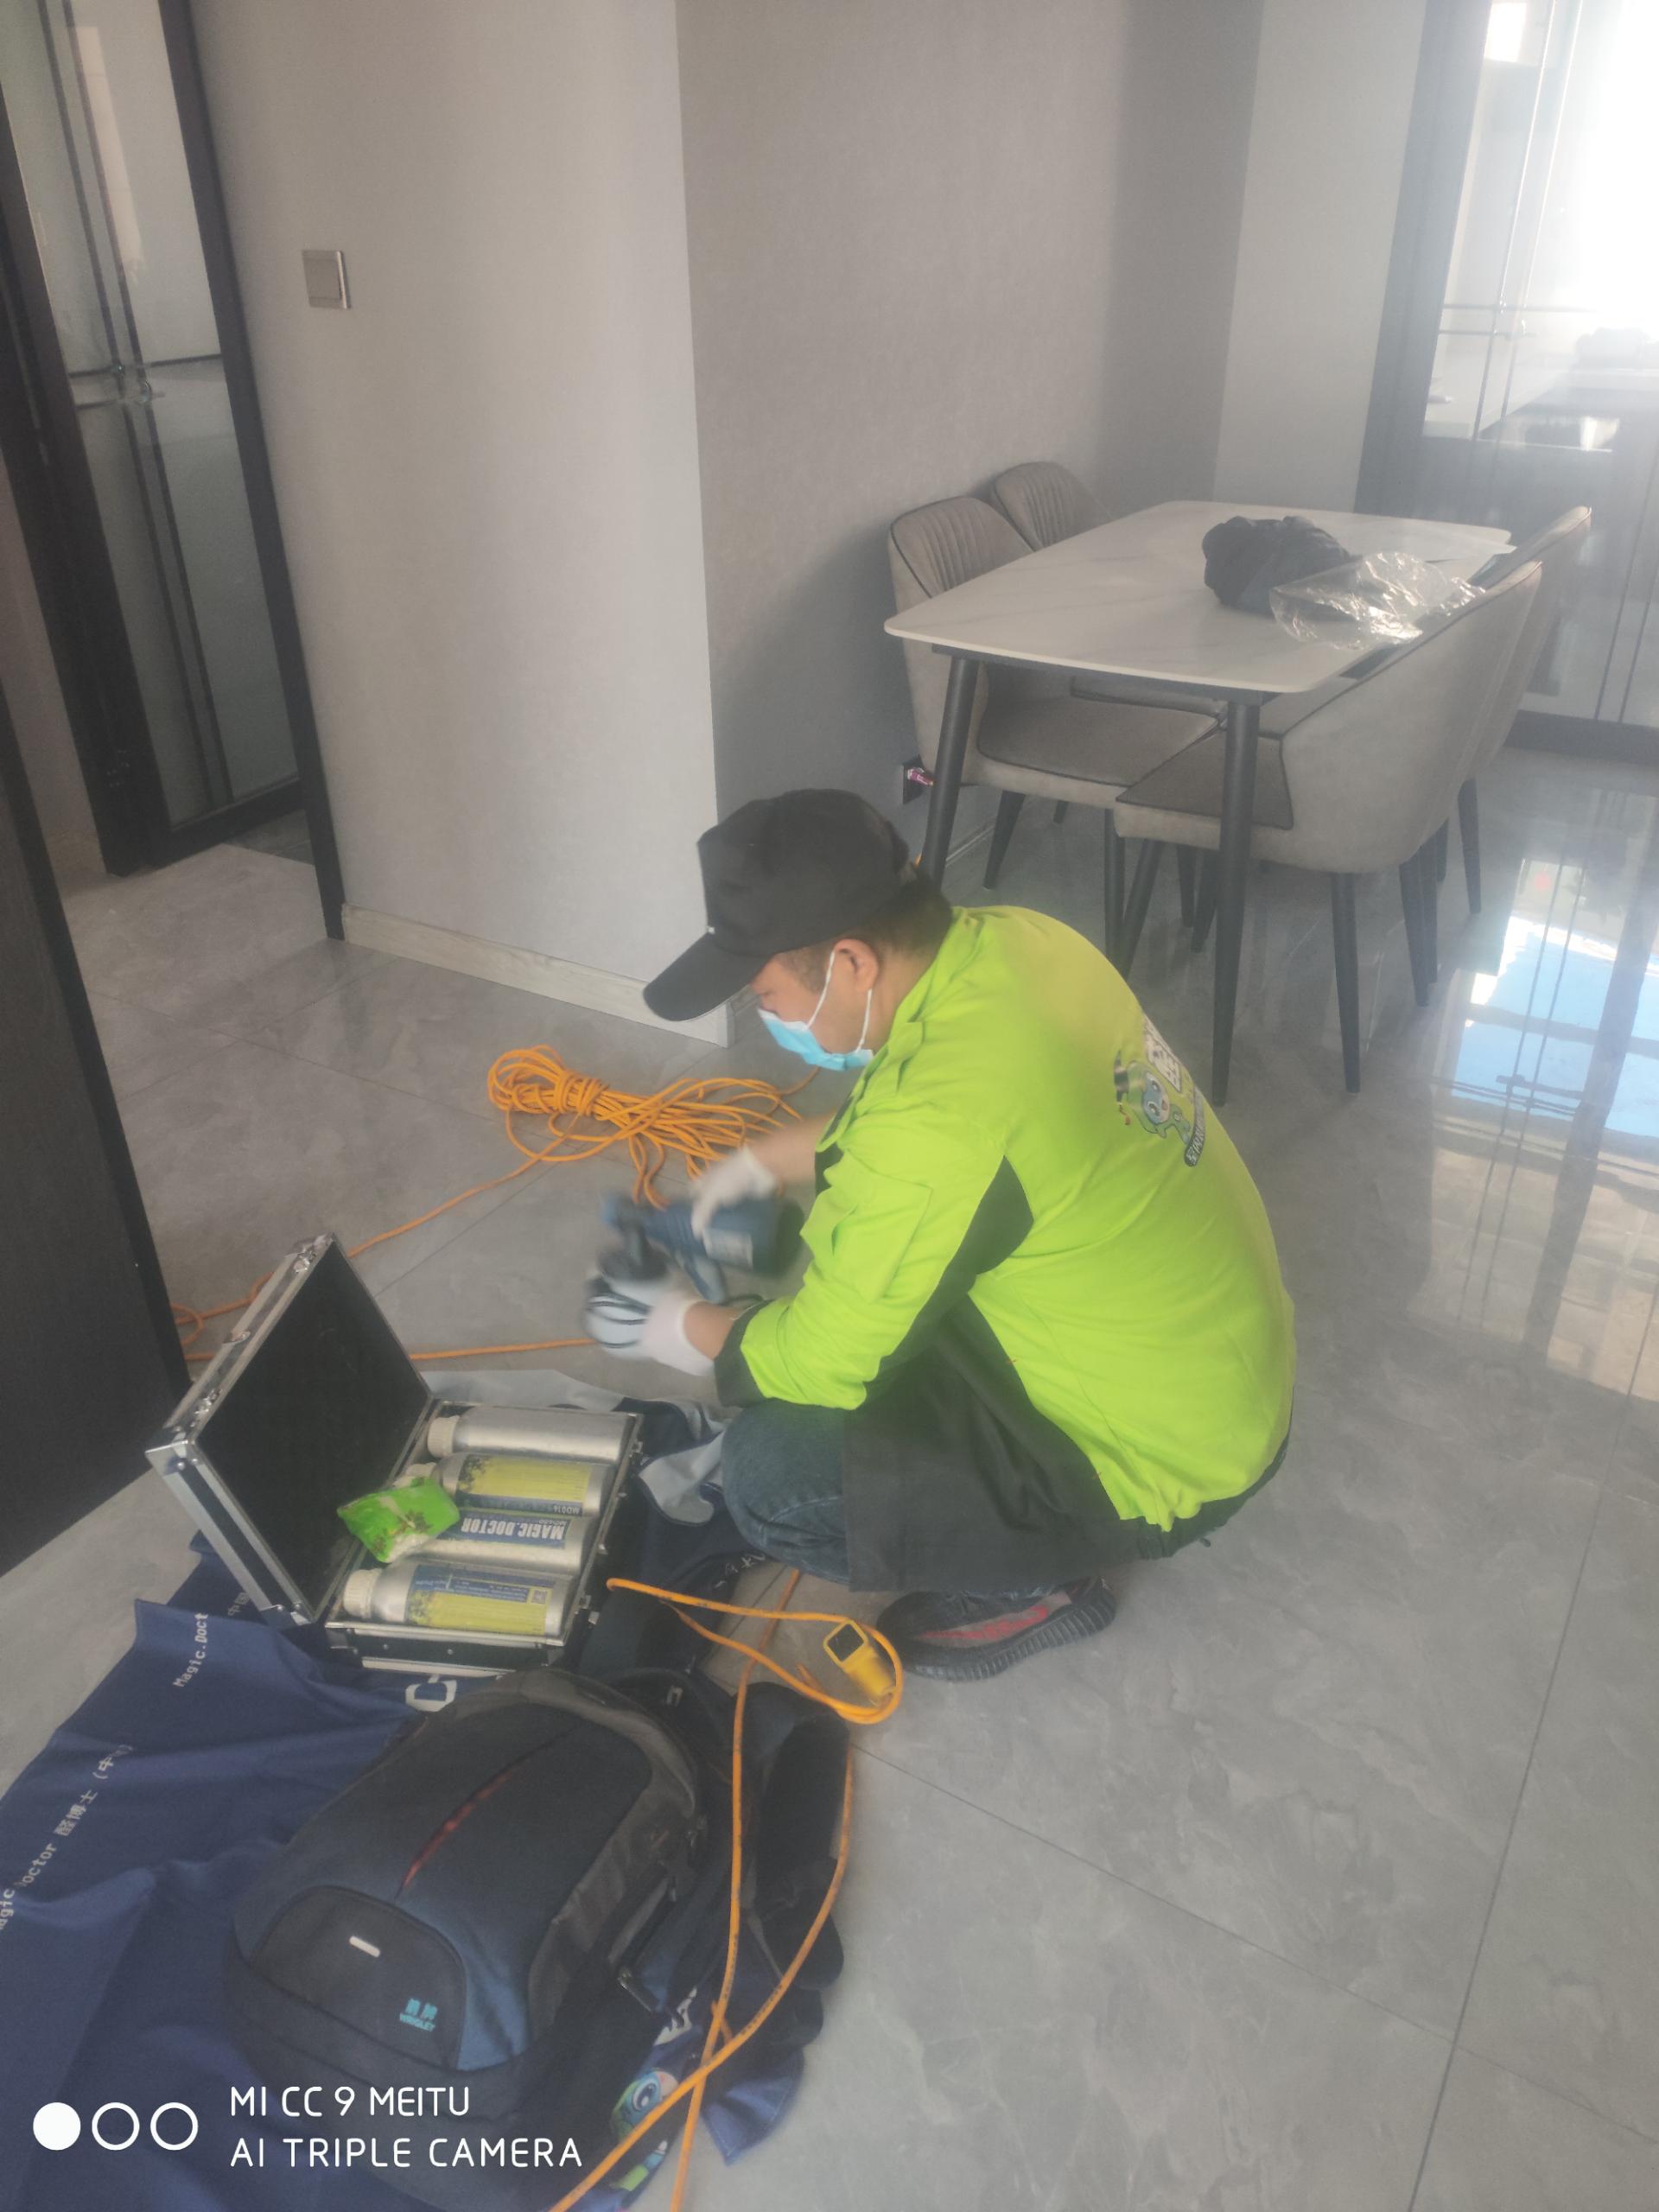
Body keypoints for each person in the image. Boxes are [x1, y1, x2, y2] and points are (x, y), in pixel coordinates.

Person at [585, 788, 1295, 1681]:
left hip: (1162, 1458)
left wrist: (672, 1327)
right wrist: (761, 1163)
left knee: (772, 1474)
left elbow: (820, 1360)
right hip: (1212, 1371)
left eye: (765, 994)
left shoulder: (941, 1129)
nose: (767, 1016)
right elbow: (931, 1116)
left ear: (851, 962)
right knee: (889, 1291)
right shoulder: (1021, 944)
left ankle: (1037, 1587)